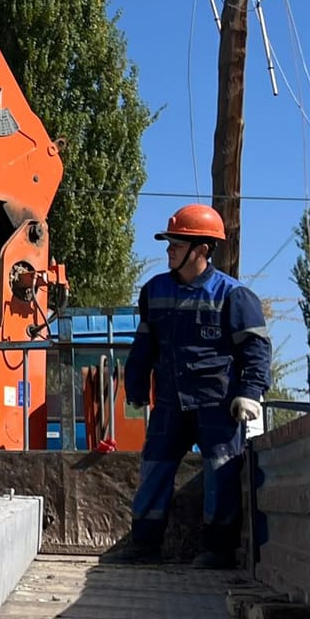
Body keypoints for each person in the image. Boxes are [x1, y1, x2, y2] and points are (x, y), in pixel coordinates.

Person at [114, 205, 271, 568]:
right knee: (154, 467)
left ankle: (218, 550)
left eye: (177, 243)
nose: (169, 249)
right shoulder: (154, 290)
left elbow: (256, 350)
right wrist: (135, 385)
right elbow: (144, 344)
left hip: (218, 403)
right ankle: (144, 544)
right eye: (169, 243)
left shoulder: (233, 295)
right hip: (170, 401)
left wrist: (250, 392)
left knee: (222, 470)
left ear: (201, 249)